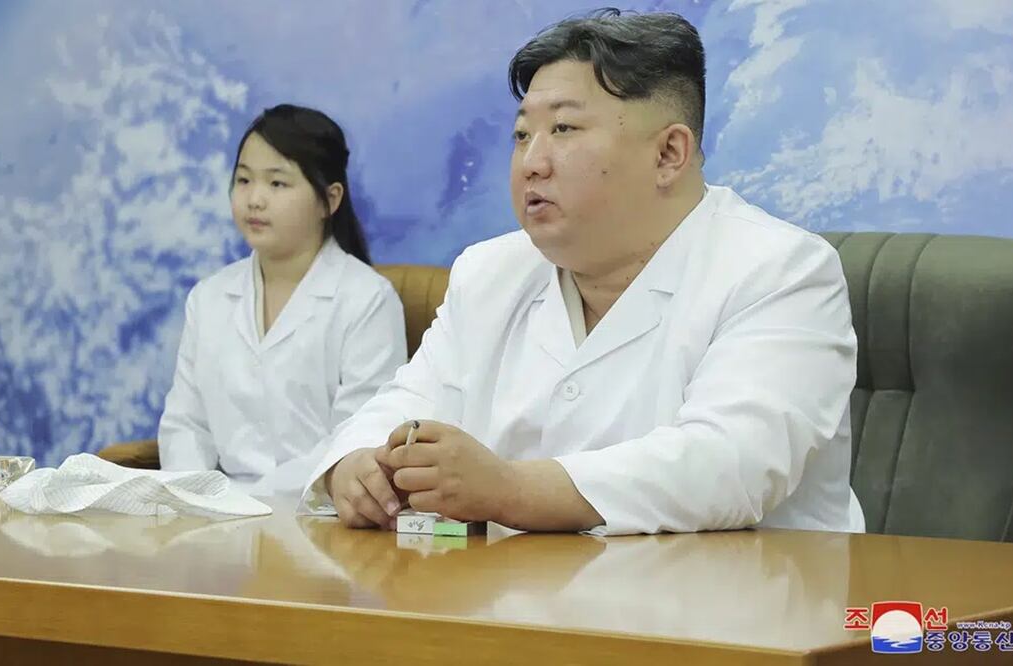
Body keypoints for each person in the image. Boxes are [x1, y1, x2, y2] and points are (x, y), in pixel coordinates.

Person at [301, 10, 865, 535]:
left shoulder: (781, 269)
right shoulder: (490, 269)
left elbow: (732, 463)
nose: (532, 162)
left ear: (669, 153)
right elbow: (408, 403)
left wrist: (512, 491)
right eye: (523, 135)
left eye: (564, 130)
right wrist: (354, 465)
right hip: (521, 608)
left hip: (744, 614)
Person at [159, 104, 406, 497]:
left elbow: (357, 437)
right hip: (216, 517)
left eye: (277, 184)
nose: (254, 199)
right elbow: (185, 424)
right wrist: (195, 497)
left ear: (330, 199)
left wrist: (256, 500)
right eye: (243, 180)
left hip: (320, 516)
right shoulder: (208, 298)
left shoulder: (367, 300)